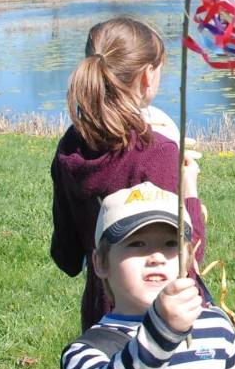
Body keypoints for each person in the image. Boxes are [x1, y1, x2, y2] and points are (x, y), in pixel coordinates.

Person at [62, 182, 235, 369]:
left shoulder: (217, 327)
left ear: (189, 256)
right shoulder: (86, 352)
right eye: (136, 243)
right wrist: (162, 332)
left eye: (171, 243)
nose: (156, 256)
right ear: (101, 262)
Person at [50, 17, 206, 331]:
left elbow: (65, 257)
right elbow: (188, 258)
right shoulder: (157, 152)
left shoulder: (70, 146)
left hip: (101, 321)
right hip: (160, 322)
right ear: (148, 76)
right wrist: (189, 188)